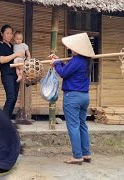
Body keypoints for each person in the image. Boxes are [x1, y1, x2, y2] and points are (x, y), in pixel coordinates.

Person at [48, 33, 94, 165]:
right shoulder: (85, 60)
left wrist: (56, 64)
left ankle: (77, 156)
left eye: (72, 47)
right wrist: (58, 61)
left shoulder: (77, 60)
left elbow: (63, 73)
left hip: (72, 97)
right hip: (84, 96)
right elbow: (67, 69)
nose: (71, 49)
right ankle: (86, 154)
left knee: (73, 126)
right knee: (82, 125)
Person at [0, 25, 25, 119]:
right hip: (7, 75)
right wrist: (16, 54)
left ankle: (7, 120)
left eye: (11, 33)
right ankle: (3, 121)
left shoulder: (13, 46)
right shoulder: (0, 45)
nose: (9, 35)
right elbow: (2, 60)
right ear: (2, 34)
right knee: (11, 97)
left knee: (14, 98)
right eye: (7, 33)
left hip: (15, 74)